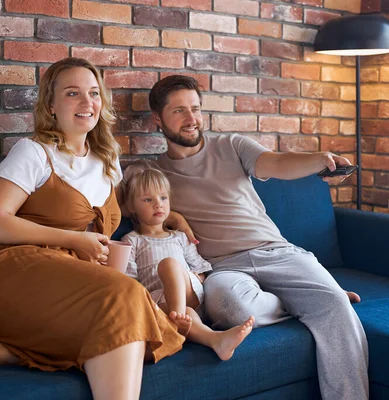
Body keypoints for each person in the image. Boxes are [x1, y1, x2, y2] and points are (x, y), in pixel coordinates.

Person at [0, 57, 186, 400]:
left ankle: (3, 353)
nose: (87, 103)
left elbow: (130, 211)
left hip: (72, 282)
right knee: (128, 299)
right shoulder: (34, 152)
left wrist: (176, 219)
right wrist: (74, 240)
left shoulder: (108, 159)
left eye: (94, 93)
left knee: (145, 325)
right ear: (51, 105)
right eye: (73, 93)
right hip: (13, 275)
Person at [123, 75, 369, 400]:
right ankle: (298, 300)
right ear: (158, 119)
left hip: (277, 252)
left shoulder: (231, 145)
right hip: (223, 267)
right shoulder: (154, 175)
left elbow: (276, 162)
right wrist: (173, 215)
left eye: (195, 109)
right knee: (228, 307)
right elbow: (127, 201)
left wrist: (318, 160)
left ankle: (321, 298)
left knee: (336, 307)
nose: (191, 119)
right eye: (179, 111)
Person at [121, 168, 255, 361]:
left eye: (163, 198)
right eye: (148, 200)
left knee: (169, 265)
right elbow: (131, 283)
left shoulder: (180, 237)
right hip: (159, 303)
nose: (158, 204)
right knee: (188, 315)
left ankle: (175, 322)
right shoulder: (132, 241)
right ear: (132, 207)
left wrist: (183, 277)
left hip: (190, 292)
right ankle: (216, 340)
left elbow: (200, 269)